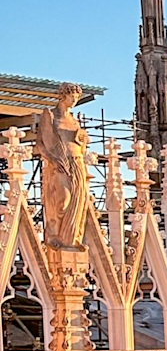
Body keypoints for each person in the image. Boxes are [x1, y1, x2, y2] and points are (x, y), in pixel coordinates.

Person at [36, 84, 91, 251]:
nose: (74, 101)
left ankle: (73, 239)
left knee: (78, 203)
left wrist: (83, 141)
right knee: (62, 202)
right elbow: (41, 143)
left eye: (76, 98)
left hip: (77, 163)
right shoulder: (50, 115)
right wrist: (53, 160)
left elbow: (80, 147)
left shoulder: (74, 121)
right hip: (60, 165)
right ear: (63, 96)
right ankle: (54, 237)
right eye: (72, 97)